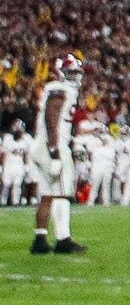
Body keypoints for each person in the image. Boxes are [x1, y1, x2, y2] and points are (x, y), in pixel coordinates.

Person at [28, 53, 87, 254]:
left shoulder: (58, 89)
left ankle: (40, 240)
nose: (75, 77)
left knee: (47, 195)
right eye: (71, 72)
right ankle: (63, 239)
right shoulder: (59, 89)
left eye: (76, 72)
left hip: (42, 144)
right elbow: (51, 116)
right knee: (62, 193)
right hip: (51, 145)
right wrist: (54, 150)